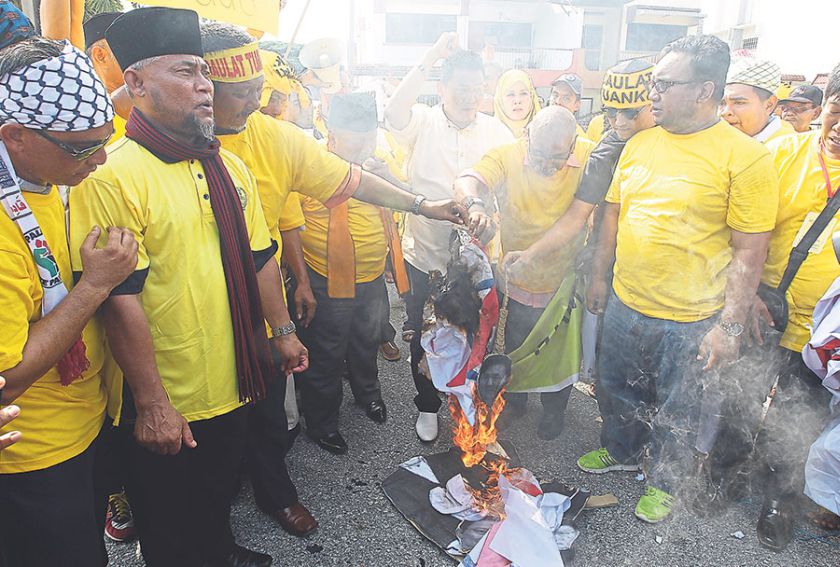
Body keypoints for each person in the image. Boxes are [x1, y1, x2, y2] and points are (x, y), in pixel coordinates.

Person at [69, 8, 305, 566]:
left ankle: (218, 551)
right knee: (171, 523)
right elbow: (119, 300)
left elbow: (261, 257)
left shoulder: (226, 166)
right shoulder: (112, 176)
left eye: (205, 72)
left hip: (236, 373)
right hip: (169, 393)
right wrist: (152, 402)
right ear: (136, 83)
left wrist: (284, 331)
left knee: (216, 493)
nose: (204, 85)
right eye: (184, 72)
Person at [576, 35, 779, 524]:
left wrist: (728, 326)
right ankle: (621, 450)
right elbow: (613, 219)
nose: (653, 94)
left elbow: (750, 250)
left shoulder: (745, 158)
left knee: (679, 406)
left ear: (705, 89)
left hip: (692, 318)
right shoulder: (640, 144)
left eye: (665, 84)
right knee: (615, 387)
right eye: (654, 83)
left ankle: (664, 482)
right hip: (626, 301)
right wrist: (600, 279)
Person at [0, 36, 138, 567]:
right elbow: (8, 375)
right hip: (33, 454)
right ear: (14, 136)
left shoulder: (44, 169)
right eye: (83, 149)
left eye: (107, 139)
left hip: (86, 421)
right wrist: (96, 285)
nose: (102, 159)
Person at [384, 32, 513, 442]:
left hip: (476, 262)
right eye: (461, 88)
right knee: (427, 336)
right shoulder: (422, 121)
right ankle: (428, 405)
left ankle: (468, 403)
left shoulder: (498, 133)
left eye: (477, 88)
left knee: (476, 336)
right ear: (442, 88)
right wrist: (433, 53)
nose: (470, 96)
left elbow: (508, 190)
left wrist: (492, 220)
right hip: (426, 255)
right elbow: (393, 111)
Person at [454, 106, 595, 439]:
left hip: (563, 277)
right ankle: (515, 404)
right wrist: (474, 204)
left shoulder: (590, 154)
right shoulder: (507, 155)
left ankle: (554, 410)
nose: (548, 166)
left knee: (557, 350)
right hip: (517, 274)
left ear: (573, 143)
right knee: (516, 344)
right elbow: (467, 180)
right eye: (541, 156)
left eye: (558, 158)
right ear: (528, 136)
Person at [752, 63, 840, 551]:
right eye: (836, 110)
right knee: (734, 402)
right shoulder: (780, 152)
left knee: (798, 417)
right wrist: (742, 297)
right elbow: (742, 227)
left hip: (821, 333)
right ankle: (723, 475)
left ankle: (779, 500)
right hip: (760, 310)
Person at [293, 92, 405, 454]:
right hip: (326, 279)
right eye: (357, 141)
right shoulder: (313, 164)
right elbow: (289, 225)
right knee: (326, 351)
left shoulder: (379, 162)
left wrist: (388, 177)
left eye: (370, 138)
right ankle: (322, 422)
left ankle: (368, 395)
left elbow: (402, 204)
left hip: (371, 276)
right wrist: (303, 282)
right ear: (334, 135)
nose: (365, 147)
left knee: (367, 340)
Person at [721, 56, 795, 143]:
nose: (725, 112)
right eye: (722, 103)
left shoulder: (791, 149)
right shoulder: (717, 139)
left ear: (769, 105)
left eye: (739, 102)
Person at [493, 69, 540, 138]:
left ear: (531, 97)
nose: (517, 101)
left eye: (523, 93)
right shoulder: (488, 135)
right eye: (510, 94)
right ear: (500, 100)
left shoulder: (545, 134)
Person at [549, 72, 587, 138]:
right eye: (555, 95)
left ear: (577, 105)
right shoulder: (534, 129)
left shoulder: (580, 141)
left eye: (566, 98)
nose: (558, 102)